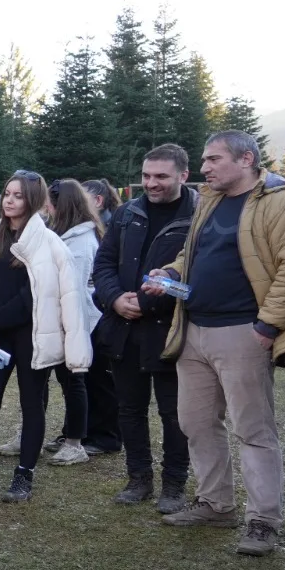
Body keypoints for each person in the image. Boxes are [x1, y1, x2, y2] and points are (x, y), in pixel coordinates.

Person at [144, 131, 285, 556]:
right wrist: (170, 273)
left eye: (213, 159)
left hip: (245, 331)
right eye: (205, 160)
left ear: (246, 160)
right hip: (194, 330)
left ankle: (263, 520)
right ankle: (215, 503)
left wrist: (267, 326)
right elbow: (193, 255)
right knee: (197, 422)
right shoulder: (211, 201)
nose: (205, 168)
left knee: (253, 429)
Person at [0, 172, 91, 504]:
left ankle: (24, 476)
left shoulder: (50, 245)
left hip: (33, 336)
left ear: (31, 199)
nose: (9, 200)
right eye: (7, 193)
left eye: (17, 195)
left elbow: (32, 296)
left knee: (32, 405)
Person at [93, 144, 196, 511]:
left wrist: (148, 300)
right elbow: (103, 264)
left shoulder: (199, 215)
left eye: (161, 177)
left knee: (174, 412)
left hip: (171, 332)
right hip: (124, 328)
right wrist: (116, 298)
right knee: (129, 409)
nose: (151, 183)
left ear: (183, 176)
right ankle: (138, 479)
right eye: (146, 176)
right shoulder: (126, 213)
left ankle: (173, 484)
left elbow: (198, 277)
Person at [44, 179, 105, 467]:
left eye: (49, 203)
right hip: (63, 322)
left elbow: (76, 290)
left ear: (60, 205)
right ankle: (69, 432)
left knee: (74, 381)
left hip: (78, 323)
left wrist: (71, 330)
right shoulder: (67, 235)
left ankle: (75, 443)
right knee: (66, 381)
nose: (46, 209)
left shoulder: (80, 242)